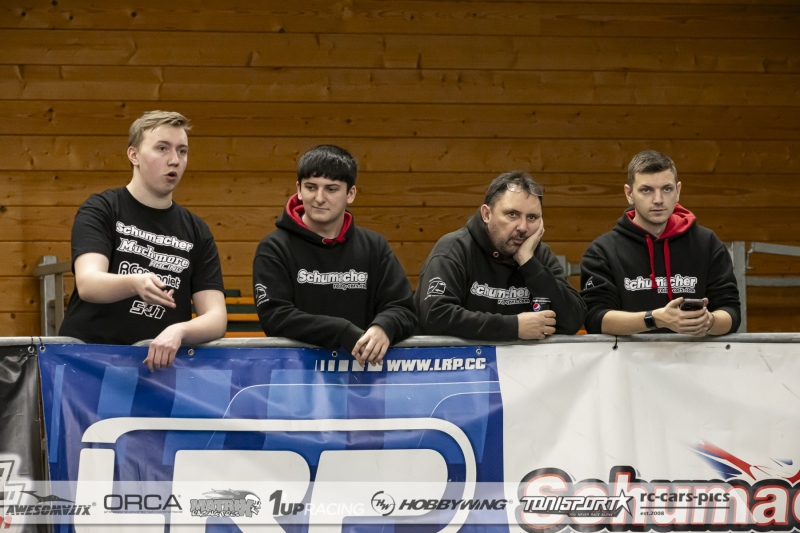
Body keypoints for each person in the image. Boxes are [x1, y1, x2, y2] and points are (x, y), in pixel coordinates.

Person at [59, 111, 227, 370]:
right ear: (134, 155)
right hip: (89, 367)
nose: (174, 160)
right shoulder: (103, 209)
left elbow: (216, 317)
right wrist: (135, 282)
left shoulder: (197, 230)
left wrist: (180, 330)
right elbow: (88, 283)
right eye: (162, 148)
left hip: (157, 369)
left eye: (182, 151)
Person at [252, 145, 416, 365]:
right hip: (295, 375)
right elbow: (275, 317)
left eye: (331, 189)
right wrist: (342, 331)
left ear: (351, 194)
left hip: (365, 375)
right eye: (311, 187)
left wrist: (384, 327)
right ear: (299, 189)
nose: (319, 198)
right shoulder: (274, 248)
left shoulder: (374, 247)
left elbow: (403, 308)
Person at [580, 150, 741, 335]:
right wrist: (655, 319)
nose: (658, 200)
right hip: (629, 355)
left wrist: (709, 322)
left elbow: (732, 312)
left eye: (667, 189)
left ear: (678, 191)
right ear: (629, 194)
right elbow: (595, 319)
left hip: (695, 354)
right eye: (646, 190)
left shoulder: (707, 243)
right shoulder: (603, 251)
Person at [415, 171, 586, 340]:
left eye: (532, 217)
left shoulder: (539, 255)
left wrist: (529, 264)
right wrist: (514, 327)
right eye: (512, 214)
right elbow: (435, 316)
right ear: (486, 214)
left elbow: (573, 321)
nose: (523, 227)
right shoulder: (454, 250)